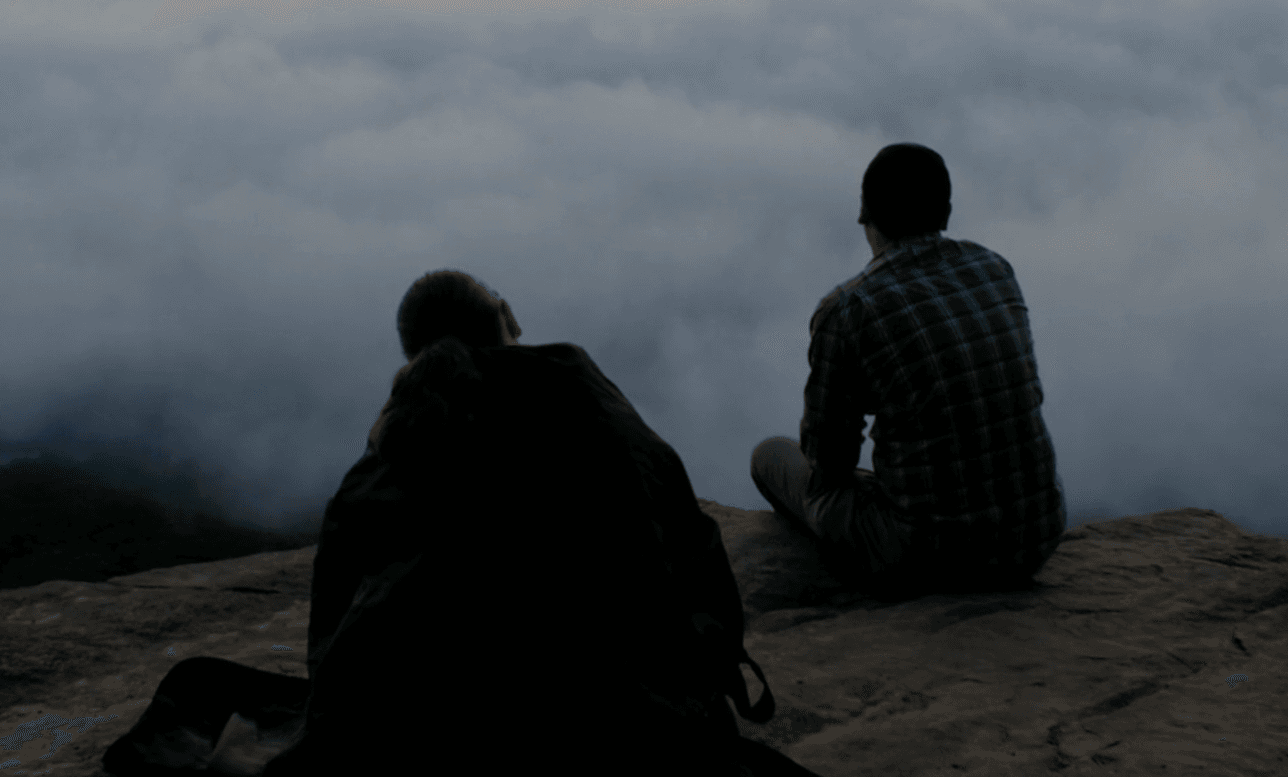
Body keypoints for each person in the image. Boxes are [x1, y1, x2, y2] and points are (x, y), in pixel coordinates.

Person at [106, 270, 817, 777]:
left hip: (432, 732)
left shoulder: (391, 449)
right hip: (629, 716)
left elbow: (334, 639)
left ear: (411, 354)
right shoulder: (592, 405)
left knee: (205, 691)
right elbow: (693, 552)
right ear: (506, 315)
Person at [750, 143, 1066, 600]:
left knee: (771, 457)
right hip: (1035, 538)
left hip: (928, 558)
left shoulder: (849, 309)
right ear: (947, 211)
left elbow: (829, 460)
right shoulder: (994, 268)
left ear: (865, 215)